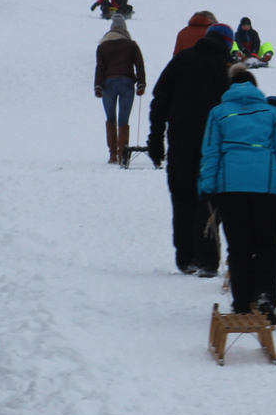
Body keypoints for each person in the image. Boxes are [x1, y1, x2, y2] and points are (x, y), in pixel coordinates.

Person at [199, 67, 276, 322]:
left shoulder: (218, 113)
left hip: (231, 189)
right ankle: (266, 297)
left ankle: (242, 304)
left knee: (239, 248)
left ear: (230, 88)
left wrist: (207, 188)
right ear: (256, 88)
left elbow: (211, 152)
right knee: (268, 246)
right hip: (268, 190)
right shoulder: (271, 113)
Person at [149, 23, 234, 274]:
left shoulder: (182, 60)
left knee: (182, 196)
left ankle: (185, 258)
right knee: (208, 199)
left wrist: (155, 139)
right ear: (228, 42)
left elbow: (159, 100)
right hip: (216, 147)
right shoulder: (230, 67)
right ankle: (206, 260)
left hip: (181, 143)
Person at [94, 15, 146, 164]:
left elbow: (100, 68)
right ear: (125, 28)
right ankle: (123, 154)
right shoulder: (131, 45)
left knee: (111, 119)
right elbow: (139, 65)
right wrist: (141, 84)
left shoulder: (103, 46)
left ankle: (112, 155)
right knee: (124, 120)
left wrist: (97, 86)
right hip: (126, 83)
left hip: (108, 84)